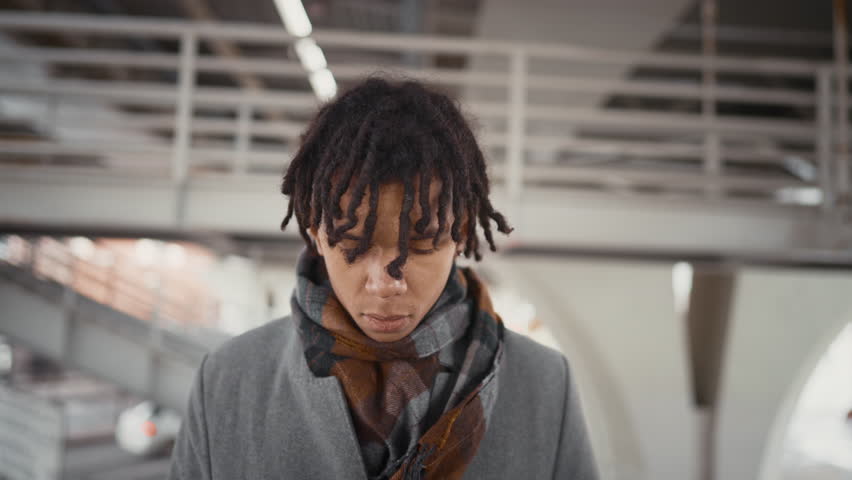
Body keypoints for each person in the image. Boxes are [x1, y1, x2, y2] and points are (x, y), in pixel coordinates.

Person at [167, 76, 598, 479]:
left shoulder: (545, 384)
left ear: (462, 232)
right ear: (316, 232)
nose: (385, 283)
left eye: (421, 242)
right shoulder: (227, 380)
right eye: (353, 245)